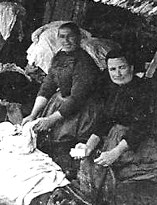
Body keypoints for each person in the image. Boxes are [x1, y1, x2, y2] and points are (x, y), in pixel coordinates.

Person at [72, 50, 157, 201]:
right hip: (118, 137)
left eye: (122, 67)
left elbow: (141, 127)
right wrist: (88, 146)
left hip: (144, 142)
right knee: (91, 163)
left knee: (115, 175)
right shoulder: (111, 88)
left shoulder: (144, 89)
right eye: (112, 69)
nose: (117, 74)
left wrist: (115, 152)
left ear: (131, 68)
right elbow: (103, 121)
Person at [21, 22, 101, 155]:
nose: (66, 41)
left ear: (79, 38)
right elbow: (47, 86)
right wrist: (33, 114)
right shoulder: (59, 57)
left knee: (64, 145)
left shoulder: (83, 62)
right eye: (62, 37)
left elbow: (77, 98)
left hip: (82, 109)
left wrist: (51, 120)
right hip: (63, 103)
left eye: (70, 36)